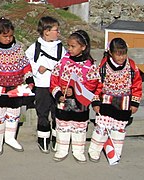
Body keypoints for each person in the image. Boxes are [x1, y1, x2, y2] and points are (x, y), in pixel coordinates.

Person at [0, 18, 33, 155]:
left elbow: (26, 67)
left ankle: (10, 137)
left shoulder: (18, 50)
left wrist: (30, 81)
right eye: (5, 36)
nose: (8, 39)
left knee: (13, 112)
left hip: (15, 87)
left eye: (10, 36)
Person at [88, 38, 142, 163]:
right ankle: (94, 151)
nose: (121, 57)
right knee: (102, 127)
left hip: (124, 102)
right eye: (118, 54)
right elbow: (97, 85)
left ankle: (115, 153)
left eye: (124, 53)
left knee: (119, 129)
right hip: (106, 101)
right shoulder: (103, 66)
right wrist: (96, 102)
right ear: (111, 53)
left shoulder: (132, 66)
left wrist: (135, 103)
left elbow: (137, 85)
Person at [50, 30, 99, 163]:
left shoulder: (90, 66)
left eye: (73, 46)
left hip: (80, 103)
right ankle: (62, 149)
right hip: (63, 101)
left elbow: (92, 85)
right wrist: (58, 93)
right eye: (69, 46)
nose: (69, 49)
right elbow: (54, 79)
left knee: (79, 126)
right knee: (63, 126)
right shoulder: (64, 62)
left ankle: (78, 150)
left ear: (83, 47)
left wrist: (76, 91)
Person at [25, 16, 67, 153]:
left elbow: (64, 64)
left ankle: (56, 139)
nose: (58, 33)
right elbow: (26, 61)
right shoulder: (35, 47)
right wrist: (38, 67)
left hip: (57, 86)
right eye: (56, 30)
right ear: (46, 31)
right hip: (42, 84)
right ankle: (43, 139)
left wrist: (48, 65)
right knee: (42, 112)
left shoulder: (60, 48)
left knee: (57, 112)